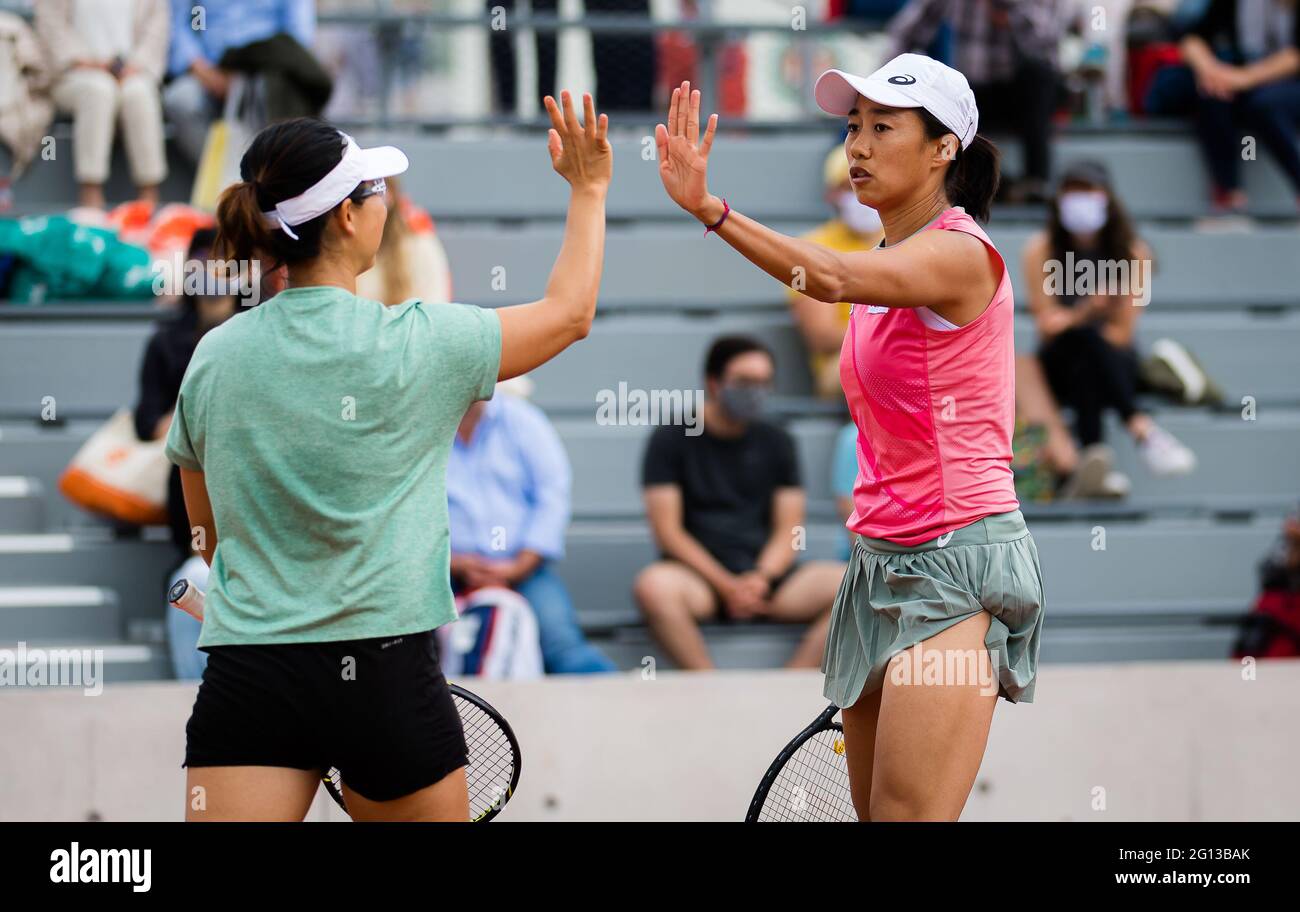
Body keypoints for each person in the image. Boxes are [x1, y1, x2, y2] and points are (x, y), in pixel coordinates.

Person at [164, 92, 611, 821]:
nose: (385, 203)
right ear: (346, 215)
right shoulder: (423, 340)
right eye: (374, 189)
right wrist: (589, 190)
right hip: (384, 671)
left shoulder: (213, 356)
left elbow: (207, 538)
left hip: (251, 675)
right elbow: (571, 314)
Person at [654, 56, 1045, 820]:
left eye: (882, 128)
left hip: (957, 560)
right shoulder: (886, 264)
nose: (857, 147)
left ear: (943, 150)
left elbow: (823, 280)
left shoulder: (961, 254)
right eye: (851, 128)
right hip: (876, 563)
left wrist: (711, 210)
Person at [633, 336, 845, 671]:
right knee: (653, 587)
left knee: (851, 585)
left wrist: (760, 578)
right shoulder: (671, 438)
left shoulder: (778, 440)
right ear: (714, 383)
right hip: (700, 581)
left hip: (770, 580)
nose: (755, 392)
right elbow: (668, 532)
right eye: (744, 382)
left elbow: (790, 528)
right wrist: (726, 585)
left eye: (763, 383)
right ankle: (710, 685)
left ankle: (789, 683)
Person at [1022, 159, 1196, 479]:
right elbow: (1047, 329)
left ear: (1107, 198)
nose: (1079, 200)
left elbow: (1122, 334)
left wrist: (1075, 319)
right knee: (1082, 340)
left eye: (1087, 190)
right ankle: (1140, 427)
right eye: (1072, 191)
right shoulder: (1040, 250)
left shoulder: (1133, 252)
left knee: (1087, 352)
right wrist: (1087, 311)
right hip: (1059, 362)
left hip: (1108, 362)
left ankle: (1094, 460)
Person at [448, 388, 617, 674]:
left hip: (524, 568)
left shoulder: (524, 421)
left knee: (563, 647)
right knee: (411, 650)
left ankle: (624, 706)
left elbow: (552, 497)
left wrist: (517, 567)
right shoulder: (421, 428)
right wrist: (453, 563)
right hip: (442, 573)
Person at [133, 227, 238, 681]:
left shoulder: (258, 333)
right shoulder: (167, 341)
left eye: (222, 260)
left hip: (260, 524)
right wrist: (201, 416)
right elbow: (146, 421)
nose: (211, 271)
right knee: (194, 585)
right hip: (197, 518)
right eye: (201, 260)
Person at [889, 0, 1069, 203]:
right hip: (975, 91)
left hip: (1024, 96)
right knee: (946, 93)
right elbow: (905, 32)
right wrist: (889, 84)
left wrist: (1013, 14)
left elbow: (1050, 39)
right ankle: (964, 185)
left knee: (1040, 76)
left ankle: (1036, 183)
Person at [35, 0, 169, 209]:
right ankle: (91, 195)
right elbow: (51, 26)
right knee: (99, 89)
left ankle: (148, 197)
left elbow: (157, 29)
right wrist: (88, 62)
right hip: (74, 74)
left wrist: (134, 65)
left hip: (132, 73)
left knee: (140, 93)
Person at [163, 0, 326, 164]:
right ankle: (224, 179)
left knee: (269, 96)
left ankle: (267, 177)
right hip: (211, 70)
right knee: (179, 99)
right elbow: (181, 24)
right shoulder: (199, 16)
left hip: (268, 69)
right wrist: (203, 70)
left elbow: (299, 35)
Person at [1178, 0, 1300, 214]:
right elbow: (1193, 39)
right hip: (1247, 86)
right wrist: (1210, 71)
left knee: (1265, 105)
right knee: (1214, 95)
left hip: (1278, 89)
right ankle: (1229, 191)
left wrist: (1245, 78)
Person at [787, 147, 885, 400]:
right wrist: (896, 333)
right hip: (841, 366)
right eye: (848, 185)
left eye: (868, 179)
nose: (858, 193)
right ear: (832, 195)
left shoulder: (907, 241)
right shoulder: (810, 247)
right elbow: (822, 336)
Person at [355, 176, 453, 306]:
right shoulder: (346, 250)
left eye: (379, 189)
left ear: (391, 195)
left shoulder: (420, 245)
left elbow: (435, 311)